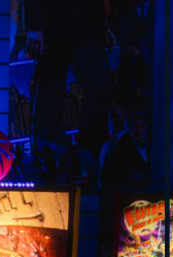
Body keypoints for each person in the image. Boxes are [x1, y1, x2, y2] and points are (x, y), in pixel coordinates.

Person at [23, 0, 115, 157]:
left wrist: (102, 22)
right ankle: (44, 157)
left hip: (88, 23)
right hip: (53, 22)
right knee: (51, 88)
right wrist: (34, 24)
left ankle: (87, 159)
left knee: (99, 88)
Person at [102, 113, 149, 187]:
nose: (138, 130)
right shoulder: (121, 149)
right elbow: (108, 177)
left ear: (146, 129)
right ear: (130, 129)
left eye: (141, 127)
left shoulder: (151, 149)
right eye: (135, 127)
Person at [97, 104, 129, 189]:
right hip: (104, 192)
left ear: (126, 119)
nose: (118, 120)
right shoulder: (105, 145)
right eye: (114, 117)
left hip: (121, 192)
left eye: (121, 116)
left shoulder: (132, 141)